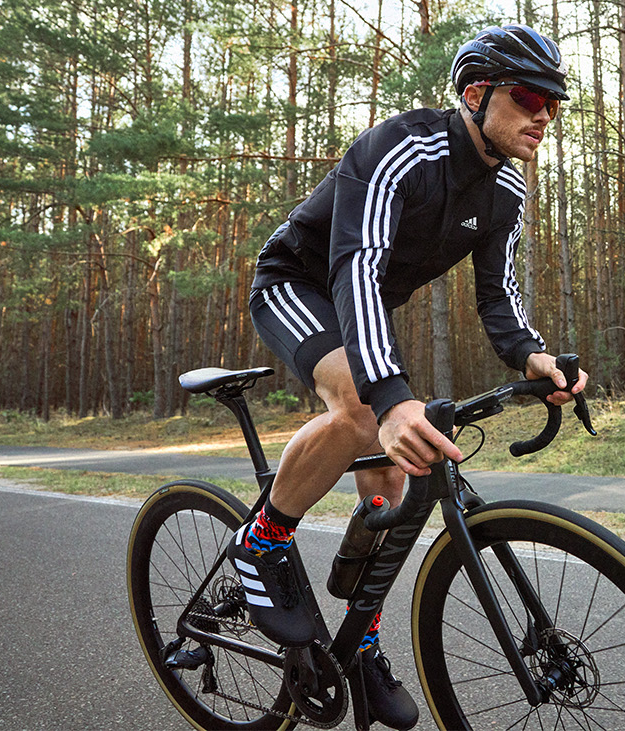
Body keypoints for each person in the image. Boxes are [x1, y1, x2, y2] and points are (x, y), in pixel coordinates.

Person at [227, 24, 588, 730]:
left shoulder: (506, 189)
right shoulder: (402, 148)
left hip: (358, 307)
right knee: (367, 411)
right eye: (530, 96)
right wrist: (389, 398)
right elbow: (354, 264)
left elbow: (498, 297)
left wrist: (532, 357)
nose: (544, 113)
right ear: (476, 93)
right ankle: (262, 538)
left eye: (555, 102)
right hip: (299, 284)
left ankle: (358, 639)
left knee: (395, 473)